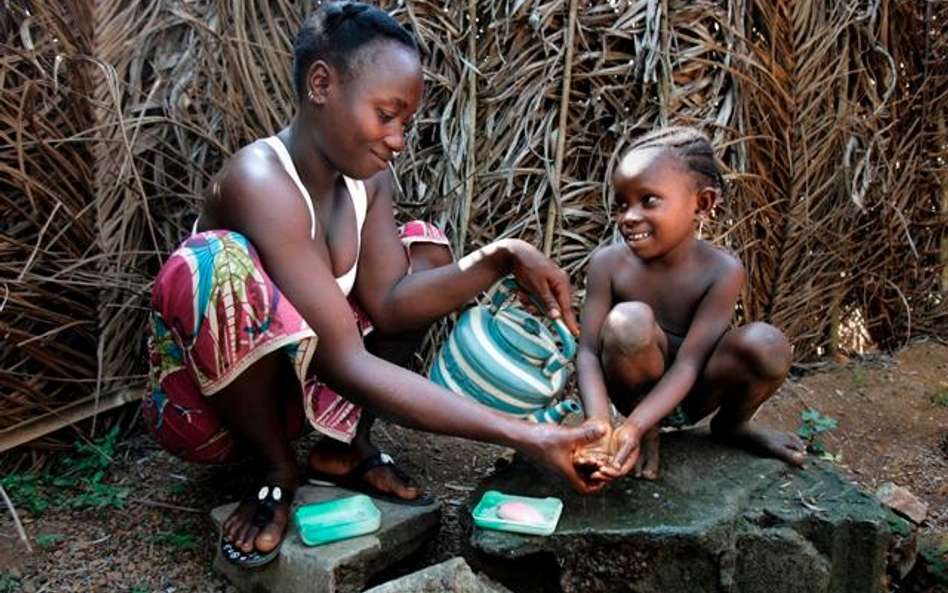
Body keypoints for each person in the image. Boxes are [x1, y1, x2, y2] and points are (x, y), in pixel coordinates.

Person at [143, 1, 607, 568]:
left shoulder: (370, 182)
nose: (397, 139)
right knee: (217, 261)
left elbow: (390, 309)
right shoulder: (256, 181)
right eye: (386, 114)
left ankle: (343, 449)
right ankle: (276, 468)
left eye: (405, 122)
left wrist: (501, 258)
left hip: (300, 386)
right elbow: (345, 362)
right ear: (321, 84)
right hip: (215, 415)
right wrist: (526, 435)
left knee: (425, 248)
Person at [572, 126, 807, 485]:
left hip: (696, 388)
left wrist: (638, 425)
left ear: (702, 204)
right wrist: (600, 426)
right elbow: (588, 352)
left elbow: (691, 362)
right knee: (628, 321)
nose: (628, 217)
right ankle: (640, 435)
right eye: (622, 204)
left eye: (648, 200)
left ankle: (732, 425)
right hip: (633, 384)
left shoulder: (722, 270)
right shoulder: (608, 264)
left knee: (768, 343)